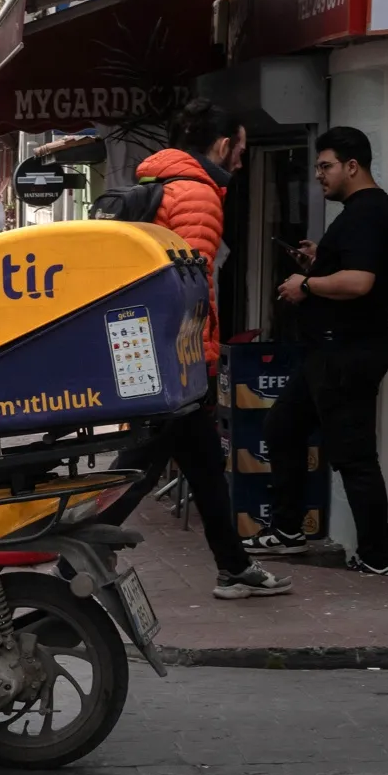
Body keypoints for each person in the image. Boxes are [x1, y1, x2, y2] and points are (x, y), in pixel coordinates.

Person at [113, 100, 293, 600]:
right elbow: (188, 286)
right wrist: (195, 363)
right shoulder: (198, 195)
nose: (241, 160)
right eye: (240, 149)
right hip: (180, 360)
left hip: (167, 355)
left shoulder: (161, 183)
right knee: (140, 464)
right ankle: (78, 551)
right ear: (221, 146)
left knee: (204, 468)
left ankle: (233, 567)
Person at [244, 127, 388, 576]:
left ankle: (377, 560)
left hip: (347, 354)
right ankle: (288, 529)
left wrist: (307, 284)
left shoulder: (367, 213)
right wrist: (319, 261)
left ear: (352, 166)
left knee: (354, 458)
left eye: (326, 166)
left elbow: (360, 282)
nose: (318, 175)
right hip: (328, 353)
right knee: (282, 427)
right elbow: (351, 269)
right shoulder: (362, 213)